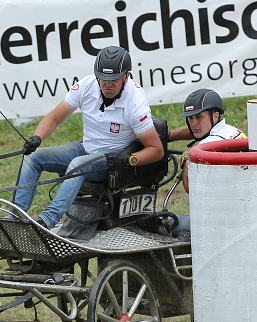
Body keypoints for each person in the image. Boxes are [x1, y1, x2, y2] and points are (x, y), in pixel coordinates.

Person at [13, 46, 164, 229]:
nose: (107, 84)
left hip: (110, 160)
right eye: (103, 78)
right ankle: (15, 218)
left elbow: (156, 151)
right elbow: (54, 118)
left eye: (114, 79)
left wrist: (127, 160)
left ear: (126, 76)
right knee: (33, 157)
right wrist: (37, 137)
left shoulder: (135, 104)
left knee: (78, 165)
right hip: (84, 149)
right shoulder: (86, 85)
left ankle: (46, 221)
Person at [167, 88, 246, 234]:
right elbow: (195, 130)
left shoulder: (207, 146)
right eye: (190, 118)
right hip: (242, 206)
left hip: (223, 219)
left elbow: (191, 189)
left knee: (167, 226)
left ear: (215, 116)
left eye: (199, 117)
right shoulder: (230, 131)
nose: (194, 123)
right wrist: (168, 136)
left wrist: (187, 161)